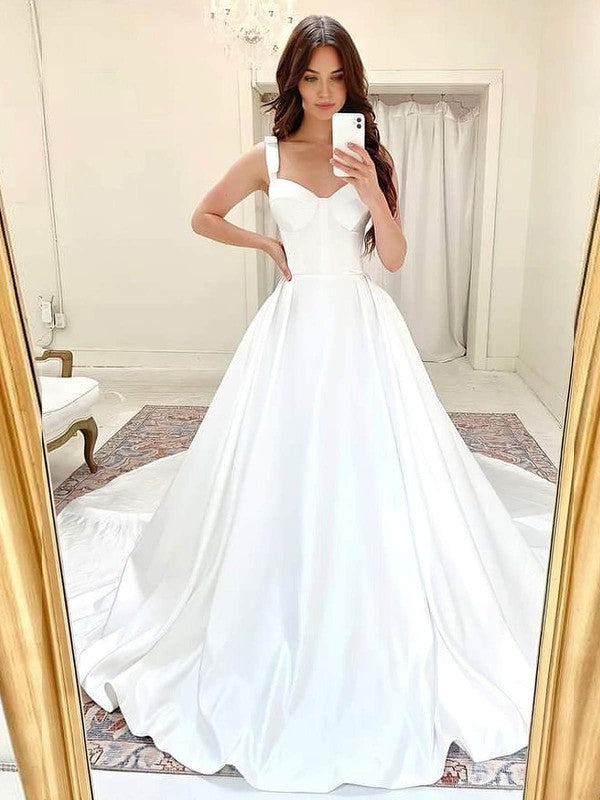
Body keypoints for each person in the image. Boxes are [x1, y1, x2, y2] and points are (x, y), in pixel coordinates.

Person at [58, 14, 555, 793]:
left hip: (361, 325)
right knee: (277, 472)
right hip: (292, 331)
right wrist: (266, 244)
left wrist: (373, 191)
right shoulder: (267, 156)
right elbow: (203, 215)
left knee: (376, 475)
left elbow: (395, 257)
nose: (324, 93)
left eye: (337, 78)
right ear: (292, 81)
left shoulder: (372, 156)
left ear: (353, 83)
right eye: (311, 78)